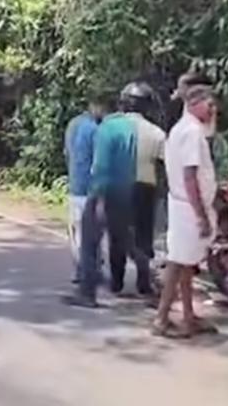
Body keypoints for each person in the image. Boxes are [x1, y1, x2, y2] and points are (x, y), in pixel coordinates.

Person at [63, 85, 151, 308]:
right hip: (124, 190)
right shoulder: (129, 128)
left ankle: (87, 293)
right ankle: (149, 276)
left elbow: (100, 166)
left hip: (103, 191)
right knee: (126, 241)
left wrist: (98, 196)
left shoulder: (105, 129)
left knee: (89, 243)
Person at [153, 84, 219, 338]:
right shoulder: (191, 132)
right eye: (209, 105)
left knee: (186, 263)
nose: (213, 111)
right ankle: (161, 318)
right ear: (194, 104)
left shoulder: (182, 130)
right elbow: (190, 176)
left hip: (181, 203)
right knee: (178, 262)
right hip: (190, 206)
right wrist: (201, 214)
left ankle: (188, 316)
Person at [64, 94, 107, 279]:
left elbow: (67, 152)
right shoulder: (96, 129)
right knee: (92, 232)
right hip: (91, 187)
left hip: (75, 184)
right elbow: (99, 162)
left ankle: (80, 269)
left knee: (77, 230)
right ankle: (92, 269)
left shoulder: (72, 125)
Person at [125, 83, 166, 263]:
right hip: (145, 187)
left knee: (118, 231)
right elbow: (167, 162)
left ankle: (116, 279)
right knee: (144, 232)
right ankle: (143, 273)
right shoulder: (156, 132)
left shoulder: (110, 128)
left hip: (116, 186)